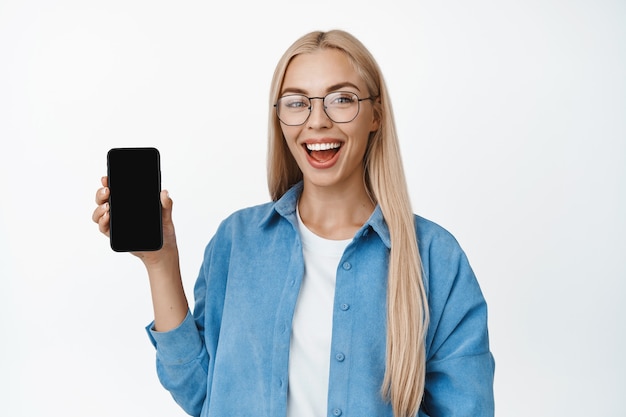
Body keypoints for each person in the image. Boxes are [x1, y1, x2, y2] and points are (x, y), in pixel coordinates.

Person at [93, 29, 495, 417]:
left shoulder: (435, 257)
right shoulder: (237, 241)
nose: (317, 121)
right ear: (279, 118)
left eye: (341, 99)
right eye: (297, 102)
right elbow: (202, 393)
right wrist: (160, 262)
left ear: (376, 115)